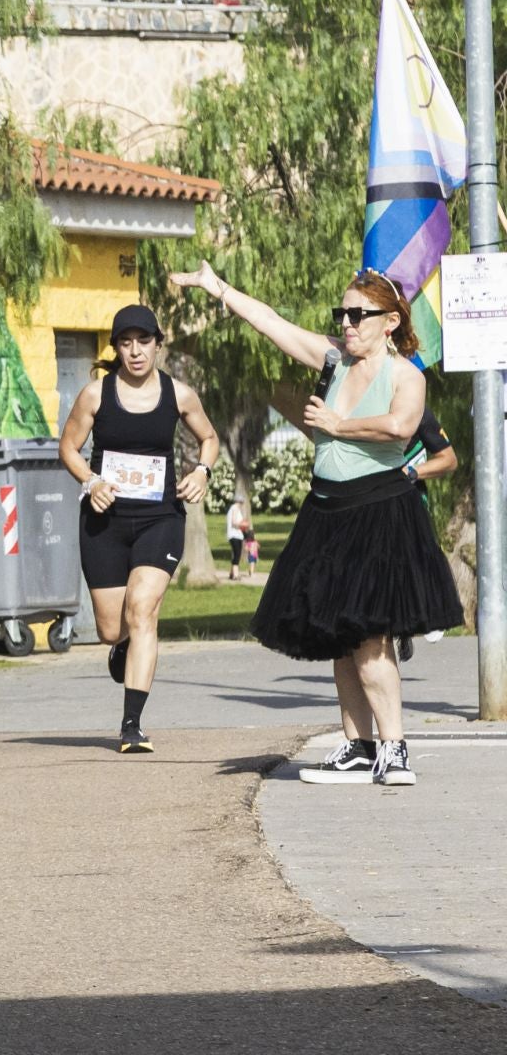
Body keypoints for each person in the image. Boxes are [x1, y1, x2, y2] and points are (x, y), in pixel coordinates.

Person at [170, 262, 462, 786]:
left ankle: (395, 750)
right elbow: (271, 323)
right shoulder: (333, 359)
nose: (347, 323)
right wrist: (219, 289)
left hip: (379, 514)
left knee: (371, 638)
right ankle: (358, 746)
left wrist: (337, 425)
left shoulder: (405, 374)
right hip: (325, 513)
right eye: (342, 313)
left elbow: (401, 425)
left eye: (359, 314)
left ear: (390, 321)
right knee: (340, 637)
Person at [58, 304, 219, 755]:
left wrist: (202, 471)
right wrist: (90, 482)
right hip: (104, 520)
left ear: (157, 344)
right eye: (125, 343)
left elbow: (210, 438)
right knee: (113, 629)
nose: (135, 352)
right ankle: (122, 645)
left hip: (160, 517)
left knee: (143, 609)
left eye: (143, 342)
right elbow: (68, 448)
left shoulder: (179, 394)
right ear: (116, 348)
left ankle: (132, 725)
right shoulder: (95, 395)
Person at [398, 408, 459, 660]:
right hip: (366, 500)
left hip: (409, 501)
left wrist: (411, 473)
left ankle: (429, 608)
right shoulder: (360, 403)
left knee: (413, 557)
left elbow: (448, 460)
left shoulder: (420, 414)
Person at [225, 495, 251, 580]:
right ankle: (236, 575)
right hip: (235, 535)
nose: (242, 504)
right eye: (241, 502)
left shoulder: (234, 509)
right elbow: (234, 522)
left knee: (236, 554)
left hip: (236, 535)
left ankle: (231, 573)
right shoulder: (235, 508)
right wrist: (244, 525)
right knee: (237, 555)